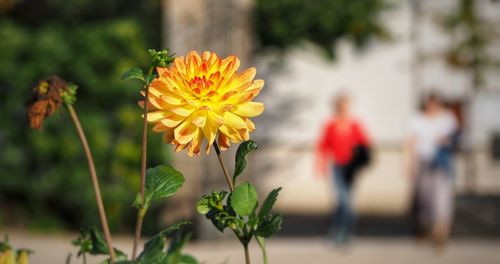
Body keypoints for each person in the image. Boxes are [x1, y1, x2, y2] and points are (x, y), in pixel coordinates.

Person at [316, 93, 371, 245]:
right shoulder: (330, 125)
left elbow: (365, 144)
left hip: (351, 167)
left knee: (347, 201)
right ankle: (338, 231)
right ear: (336, 106)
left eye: (346, 105)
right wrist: (321, 165)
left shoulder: (355, 125)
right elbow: (323, 146)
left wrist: (363, 163)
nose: (344, 108)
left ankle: (346, 232)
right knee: (341, 200)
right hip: (337, 166)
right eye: (341, 105)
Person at [405, 93, 458, 248]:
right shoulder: (417, 119)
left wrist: (447, 141)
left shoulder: (447, 119)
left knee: (442, 198)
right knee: (424, 197)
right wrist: (408, 164)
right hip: (424, 161)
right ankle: (425, 227)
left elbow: (456, 138)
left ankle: (441, 230)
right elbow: (411, 142)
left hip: (442, 162)